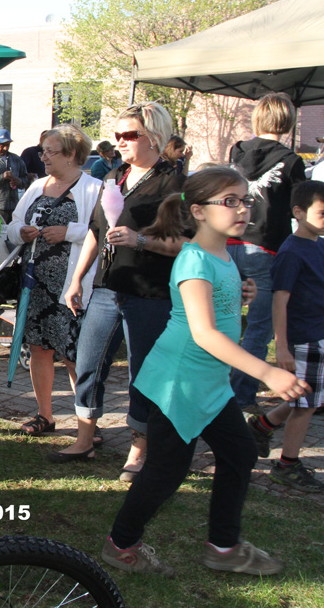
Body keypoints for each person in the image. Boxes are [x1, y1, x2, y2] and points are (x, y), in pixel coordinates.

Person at [100, 166, 308, 578]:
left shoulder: (222, 254)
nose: (242, 209)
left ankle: (223, 547)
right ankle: (121, 543)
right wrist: (268, 373)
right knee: (165, 470)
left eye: (245, 200)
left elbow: (221, 308)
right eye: (229, 201)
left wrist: (239, 290)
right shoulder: (194, 259)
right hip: (180, 382)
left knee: (241, 452)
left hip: (208, 382)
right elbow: (206, 334)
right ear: (197, 210)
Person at [60, 102, 186, 480]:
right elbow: (97, 230)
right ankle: (85, 438)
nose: (120, 141)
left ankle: (138, 449)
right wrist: (77, 277)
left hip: (149, 291)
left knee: (142, 372)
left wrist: (140, 239)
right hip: (106, 286)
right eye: (117, 135)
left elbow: (185, 243)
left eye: (129, 135)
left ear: (154, 136)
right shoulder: (115, 175)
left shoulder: (175, 183)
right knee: (88, 362)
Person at [5, 125, 102, 440]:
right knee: (39, 348)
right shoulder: (37, 186)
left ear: (72, 154)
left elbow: (99, 232)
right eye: (42, 149)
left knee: (75, 353)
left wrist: (68, 232)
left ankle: (87, 424)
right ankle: (44, 414)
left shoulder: (93, 188)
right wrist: (21, 232)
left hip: (72, 285)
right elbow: (13, 225)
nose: (42, 156)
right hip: (36, 282)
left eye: (50, 151)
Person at [227, 92, 305, 411]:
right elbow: (299, 208)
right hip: (266, 248)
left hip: (229, 242)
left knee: (225, 323)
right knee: (260, 328)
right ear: (287, 120)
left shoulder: (237, 151)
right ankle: (241, 395)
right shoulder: (292, 160)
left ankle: (218, 390)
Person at [246, 180, 324, 492]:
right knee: (306, 404)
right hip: (304, 337)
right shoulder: (292, 252)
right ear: (298, 212)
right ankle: (287, 464)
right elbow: (280, 300)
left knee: (306, 396)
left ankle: (262, 426)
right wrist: (282, 347)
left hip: (318, 333)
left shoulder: (318, 244)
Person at [0, 129, 29, 222]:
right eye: (2, 145)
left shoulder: (16, 159)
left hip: (14, 206)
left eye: (7, 145)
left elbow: (26, 179)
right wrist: (2, 177)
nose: (5, 148)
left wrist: (18, 181)